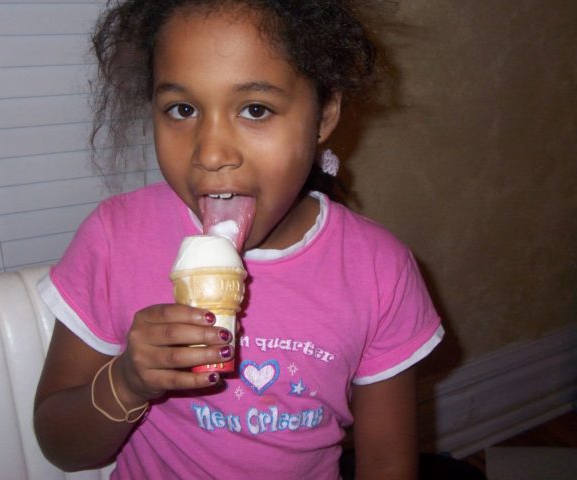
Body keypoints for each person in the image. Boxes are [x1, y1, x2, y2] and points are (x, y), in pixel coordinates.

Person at [34, 1, 444, 479]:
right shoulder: (114, 240)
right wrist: (126, 382)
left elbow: (387, 465)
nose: (210, 153)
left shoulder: (380, 271)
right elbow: (61, 447)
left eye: (255, 109)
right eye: (182, 109)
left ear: (325, 113)